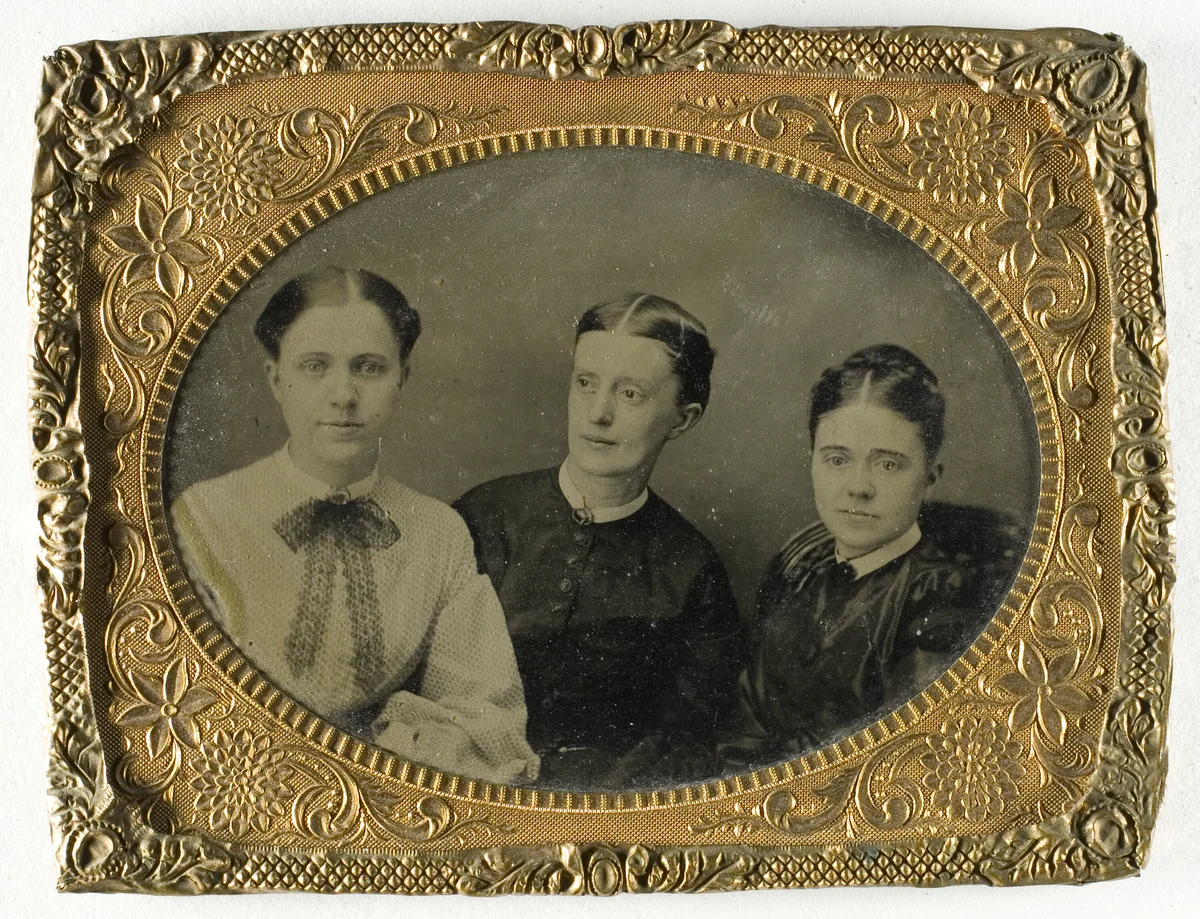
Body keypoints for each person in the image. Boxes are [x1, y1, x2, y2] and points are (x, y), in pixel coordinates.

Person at [170, 266, 539, 785]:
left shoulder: (438, 532)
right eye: (315, 366)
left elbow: (483, 711)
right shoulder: (207, 518)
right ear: (277, 379)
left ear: (402, 378)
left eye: (369, 368)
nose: (343, 395)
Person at [453, 293, 745, 790]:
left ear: (684, 417)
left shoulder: (691, 568)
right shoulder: (483, 516)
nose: (598, 414)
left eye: (630, 394)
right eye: (586, 384)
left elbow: (687, 738)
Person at [721, 344, 1025, 769]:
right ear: (812, 463)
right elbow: (743, 736)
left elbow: (910, 756)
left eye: (887, 465)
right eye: (838, 459)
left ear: (930, 477)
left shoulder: (939, 598)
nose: (858, 487)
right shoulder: (800, 580)